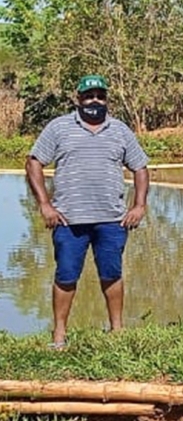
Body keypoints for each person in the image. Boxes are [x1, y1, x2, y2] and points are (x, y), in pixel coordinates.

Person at [25, 75, 150, 349]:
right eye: (89, 95)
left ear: (106, 99)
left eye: (100, 96)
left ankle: (117, 331)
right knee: (66, 276)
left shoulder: (120, 130)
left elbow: (140, 167)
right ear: (78, 98)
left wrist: (139, 205)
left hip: (112, 219)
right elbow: (34, 163)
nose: (95, 100)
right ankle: (59, 335)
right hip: (69, 220)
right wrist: (45, 204)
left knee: (112, 274)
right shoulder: (58, 128)